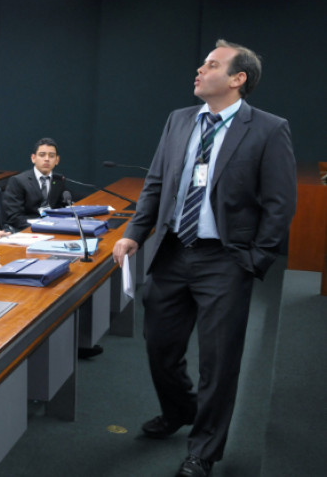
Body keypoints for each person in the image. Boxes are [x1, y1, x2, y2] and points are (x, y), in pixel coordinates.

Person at [112, 40, 296, 477]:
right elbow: (156, 182)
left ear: (238, 79)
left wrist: (256, 260)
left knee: (219, 361)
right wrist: (136, 233)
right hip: (173, 251)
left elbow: (280, 203)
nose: (199, 69)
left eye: (211, 65)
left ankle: (203, 451)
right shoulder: (178, 121)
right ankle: (180, 410)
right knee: (160, 347)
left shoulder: (268, 129)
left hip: (226, 261)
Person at [3, 137, 67, 229]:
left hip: (54, 227)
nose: (47, 159)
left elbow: (61, 207)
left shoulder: (59, 179)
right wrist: (40, 225)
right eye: (42, 155)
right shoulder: (18, 181)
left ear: (57, 160)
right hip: (28, 229)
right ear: (33, 158)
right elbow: (13, 217)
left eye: (51, 156)